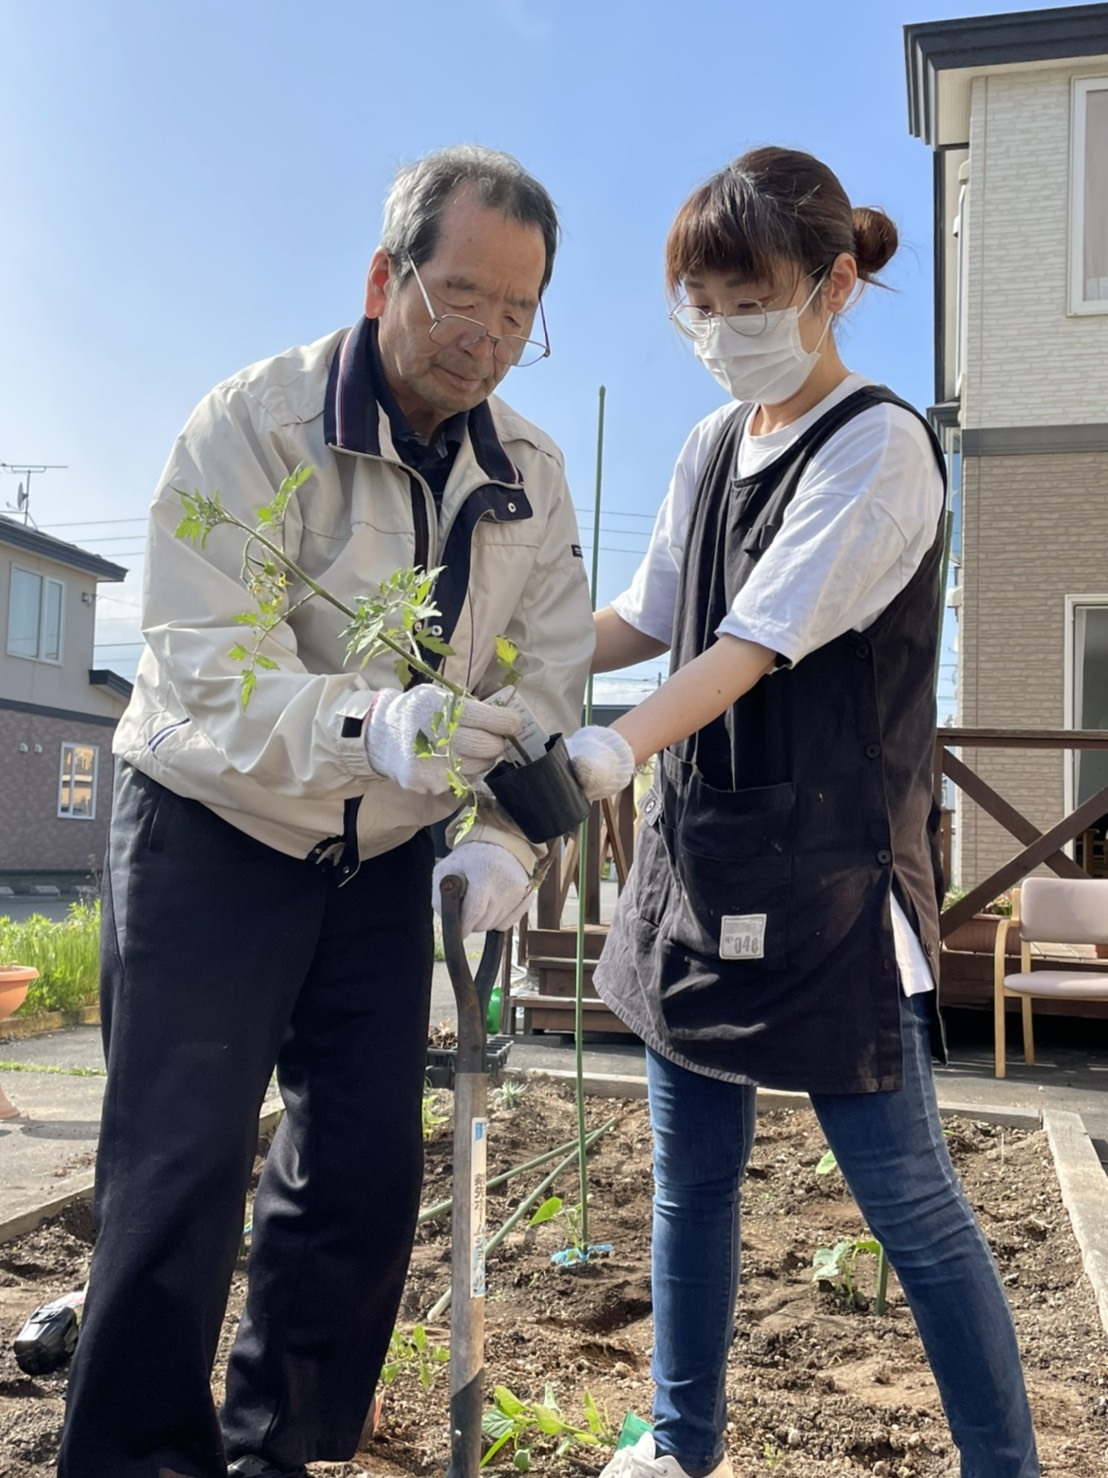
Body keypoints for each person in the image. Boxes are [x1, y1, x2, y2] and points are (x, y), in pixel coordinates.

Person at [58, 145, 610, 1478]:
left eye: (518, 314)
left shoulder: (528, 470)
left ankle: (278, 1450)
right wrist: (376, 720)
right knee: (180, 1169)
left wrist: (503, 831)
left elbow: (545, 675)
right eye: (462, 295)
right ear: (385, 276)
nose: (486, 335)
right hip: (211, 823)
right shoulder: (255, 426)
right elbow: (202, 668)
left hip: (384, 848)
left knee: (362, 1171)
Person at [582, 149, 1040, 1478]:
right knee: (689, 1184)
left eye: (748, 299)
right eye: (700, 305)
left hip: (835, 881)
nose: (721, 333)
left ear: (834, 285)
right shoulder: (712, 442)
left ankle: (1003, 1466)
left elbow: (744, 644)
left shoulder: (884, 448)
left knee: (909, 1203)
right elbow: (648, 615)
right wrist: (523, 655)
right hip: (702, 862)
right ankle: (682, 1441)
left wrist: (605, 747)